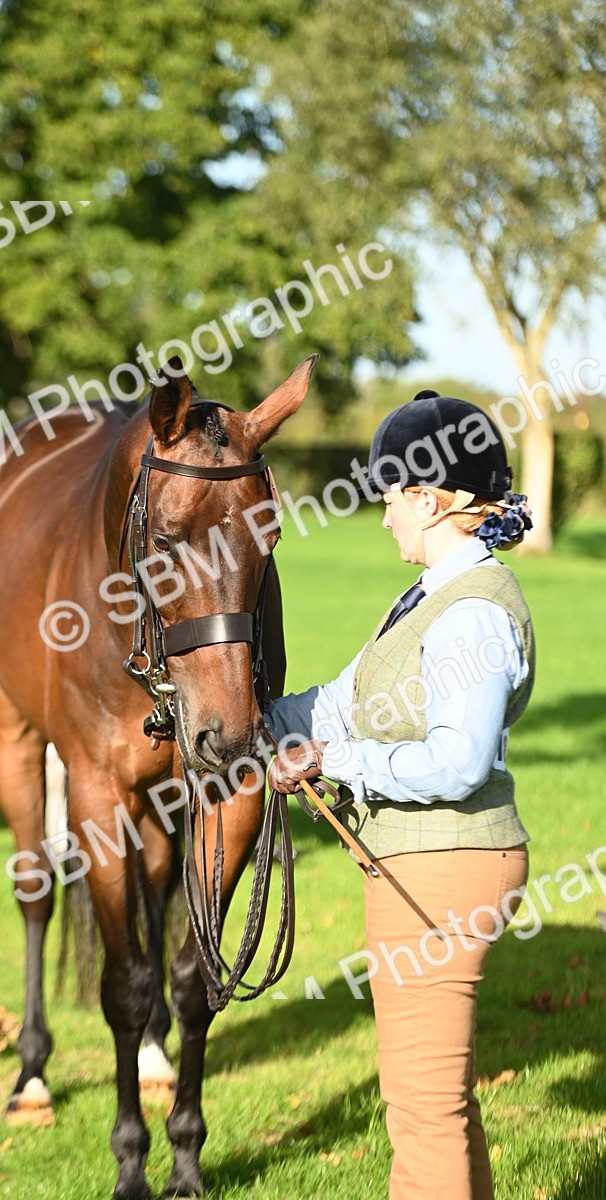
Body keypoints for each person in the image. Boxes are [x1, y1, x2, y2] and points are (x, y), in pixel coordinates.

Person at [265, 390, 535, 1200]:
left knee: (420, 1115)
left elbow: (458, 762)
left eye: (390, 500)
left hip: (447, 868)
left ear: (430, 499)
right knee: (438, 1107)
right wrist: (234, 710)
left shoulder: (474, 613)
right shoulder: (425, 599)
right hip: (425, 863)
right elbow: (339, 701)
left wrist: (334, 757)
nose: (384, 519)